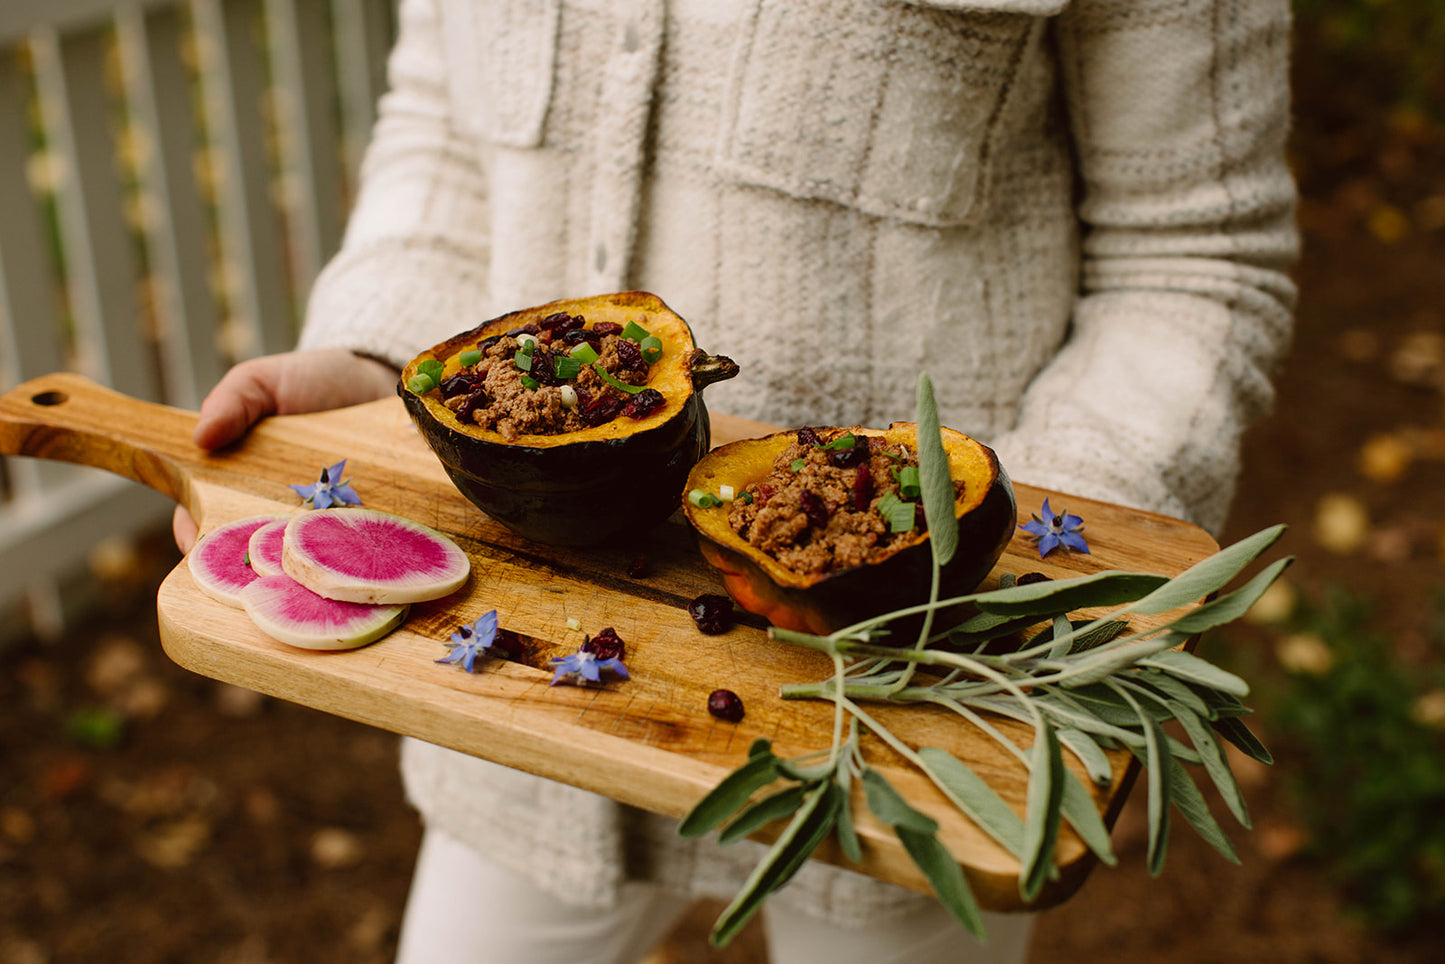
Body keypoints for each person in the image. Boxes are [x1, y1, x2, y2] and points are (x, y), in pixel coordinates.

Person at [174, 0, 1299, 960]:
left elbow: (1194, 254)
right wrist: (378, 358)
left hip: (902, 697)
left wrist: (1022, 564)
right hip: (519, 657)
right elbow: (440, 127)